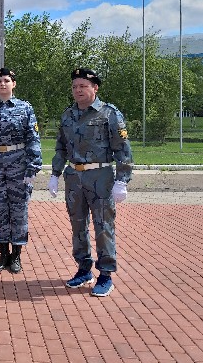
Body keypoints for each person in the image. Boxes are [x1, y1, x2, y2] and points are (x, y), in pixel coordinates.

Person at [48, 68, 133, 296]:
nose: (78, 90)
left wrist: (122, 180)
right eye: (75, 86)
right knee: (78, 225)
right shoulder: (68, 115)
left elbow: (122, 149)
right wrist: (55, 174)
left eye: (83, 86)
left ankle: (105, 275)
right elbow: (61, 147)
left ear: (95, 88)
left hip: (100, 177)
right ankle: (84, 269)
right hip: (74, 177)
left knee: (103, 226)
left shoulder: (109, 114)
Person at [0, 68, 42, 273]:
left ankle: (16, 255)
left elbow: (33, 138)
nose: (3, 84)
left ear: (13, 84)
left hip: (18, 165)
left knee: (19, 211)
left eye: (6, 80)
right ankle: (3, 253)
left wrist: (33, 166)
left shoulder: (25, 108)